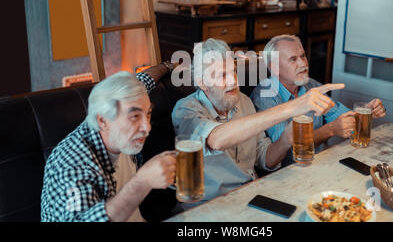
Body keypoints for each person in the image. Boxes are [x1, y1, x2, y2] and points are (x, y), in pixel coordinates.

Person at [171, 38, 344, 210]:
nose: (233, 81)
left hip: (251, 196)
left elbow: (265, 159)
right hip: (207, 206)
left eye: (234, 72)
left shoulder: (244, 102)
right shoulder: (186, 109)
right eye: (223, 75)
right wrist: (292, 107)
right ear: (203, 83)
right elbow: (217, 139)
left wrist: (286, 139)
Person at [41, 62, 177, 222]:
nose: (147, 128)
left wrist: (168, 66)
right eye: (134, 116)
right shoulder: (73, 164)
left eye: (148, 114)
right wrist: (143, 180)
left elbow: (143, 80)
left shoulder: (128, 102)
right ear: (102, 120)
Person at [251, 35, 386, 166]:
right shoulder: (265, 96)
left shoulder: (311, 85)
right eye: (293, 59)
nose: (303, 63)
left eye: (303, 56)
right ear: (275, 67)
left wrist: (365, 114)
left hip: (323, 161)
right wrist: (330, 130)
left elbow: (342, 118)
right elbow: (287, 151)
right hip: (293, 171)